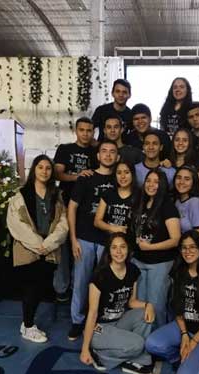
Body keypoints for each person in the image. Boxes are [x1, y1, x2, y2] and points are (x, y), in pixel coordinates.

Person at [145, 230, 199, 374]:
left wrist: (194, 341)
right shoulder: (179, 272)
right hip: (183, 328)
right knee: (151, 344)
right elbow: (178, 307)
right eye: (184, 247)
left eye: (192, 247)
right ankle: (182, 357)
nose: (188, 251)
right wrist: (184, 335)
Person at [7, 155, 68, 343]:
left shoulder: (56, 195)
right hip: (28, 249)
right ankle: (28, 326)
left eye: (48, 168)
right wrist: (37, 244)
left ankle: (27, 322)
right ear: (34, 170)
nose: (44, 171)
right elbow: (15, 223)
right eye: (40, 167)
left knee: (40, 288)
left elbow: (63, 223)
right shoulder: (21, 195)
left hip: (48, 250)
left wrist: (48, 244)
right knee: (30, 288)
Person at [80, 232, 155, 374]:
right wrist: (85, 349)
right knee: (139, 344)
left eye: (122, 247)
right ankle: (101, 356)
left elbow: (131, 302)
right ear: (109, 251)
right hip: (99, 329)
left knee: (145, 315)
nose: (119, 251)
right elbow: (92, 313)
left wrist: (148, 305)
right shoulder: (100, 275)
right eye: (114, 247)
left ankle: (129, 357)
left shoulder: (133, 270)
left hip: (119, 323)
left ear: (128, 249)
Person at [67, 140, 118, 340]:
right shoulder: (86, 178)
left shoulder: (120, 179)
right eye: (104, 151)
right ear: (97, 155)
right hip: (85, 238)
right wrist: (73, 239)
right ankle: (77, 321)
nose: (108, 155)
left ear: (117, 156)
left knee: (107, 282)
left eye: (112, 152)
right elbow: (72, 208)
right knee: (81, 282)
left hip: (109, 240)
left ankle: (102, 321)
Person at [53, 117, 97, 301]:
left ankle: (77, 287)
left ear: (93, 132)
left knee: (81, 248)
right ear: (75, 131)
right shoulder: (65, 149)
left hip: (86, 207)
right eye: (82, 130)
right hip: (64, 203)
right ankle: (61, 287)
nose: (85, 134)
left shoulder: (96, 153)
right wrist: (78, 176)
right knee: (63, 245)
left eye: (89, 130)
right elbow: (57, 174)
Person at [132, 168, 181, 326]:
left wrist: (151, 247)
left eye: (156, 182)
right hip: (139, 261)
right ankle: (142, 336)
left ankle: (158, 337)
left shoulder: (168, 207)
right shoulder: (141, 203)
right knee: (141, 305)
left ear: (162, 185)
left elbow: (175, 239)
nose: (151, 185)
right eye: (148, 181)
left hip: (160, 263)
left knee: (156, 305)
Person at [94, 161, 136, 236]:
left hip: (129, 240)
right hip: (108, 239)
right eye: (119, 173)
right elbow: (97, 222)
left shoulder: (139, 196)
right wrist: (112, 228)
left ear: (132, 174)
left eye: (126, 172)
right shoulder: (108, 193)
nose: (122, 176)